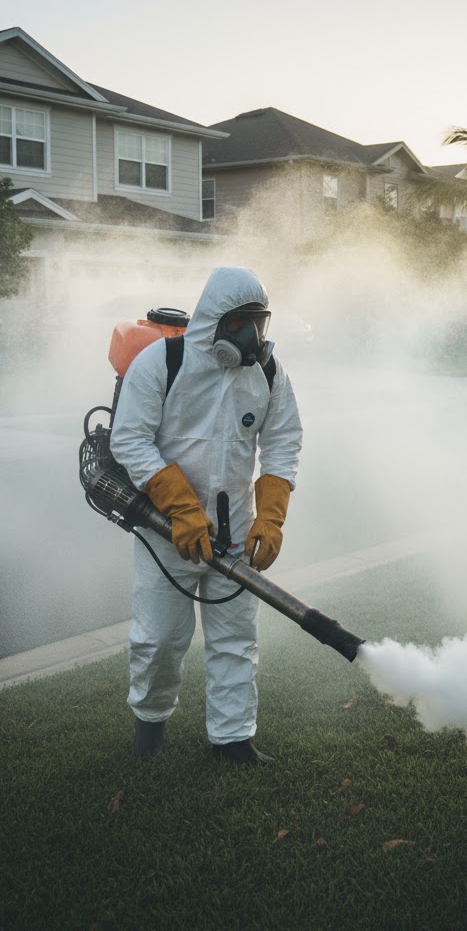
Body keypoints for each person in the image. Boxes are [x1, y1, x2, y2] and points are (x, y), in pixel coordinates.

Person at [110, 266, 303, 764]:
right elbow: (129, 438)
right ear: (214, 319)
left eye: (258, 323)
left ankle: (233, 741)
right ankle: (148, 732)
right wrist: (181, 508)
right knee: (158, 641)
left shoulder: (267, 373)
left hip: (235, 529)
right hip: (164, 531)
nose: (252, 336)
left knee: (235, 640)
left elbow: (282, 442)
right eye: (241, 322)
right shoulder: (162, 362)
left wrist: (271, 517)